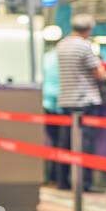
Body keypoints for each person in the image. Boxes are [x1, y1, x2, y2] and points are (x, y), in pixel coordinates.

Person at [55, 13, 106, 191]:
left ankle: (63, 182)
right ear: (88, 29)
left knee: (65, 143)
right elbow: (97, 73)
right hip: (85, 101)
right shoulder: (84, 46)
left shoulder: (62, 44)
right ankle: (84, 184)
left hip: (66, 100)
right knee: (85, 144)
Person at [41, 43, 61, 183]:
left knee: (53, 141)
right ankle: (57, 177)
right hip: (60, 104)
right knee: (61, 143)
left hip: (46, 103)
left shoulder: (46, 57)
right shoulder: (62, 58)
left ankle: (51, 176)